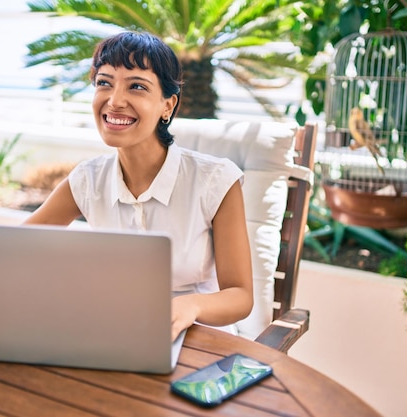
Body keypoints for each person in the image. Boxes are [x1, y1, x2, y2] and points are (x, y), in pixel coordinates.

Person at [23, 31, 253, 341]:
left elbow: (240, 296)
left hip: (203, 342)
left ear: (167, 105)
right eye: (104, 83)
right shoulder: (87, 180)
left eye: (137, 86)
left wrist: (191, 306)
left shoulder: (215, 180)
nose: (115, 101)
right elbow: (15, 248)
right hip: (118, 334)